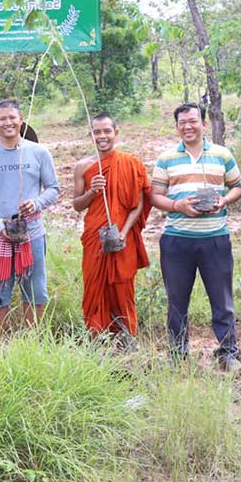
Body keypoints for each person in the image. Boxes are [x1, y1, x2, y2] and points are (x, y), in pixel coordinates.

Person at [150, 103, 241, 370]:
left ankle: (228, 352)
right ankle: (177, 354)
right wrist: (177, 205)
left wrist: (224, 200)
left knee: (222, 300)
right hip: (177, 239)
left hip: (215, 238)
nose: (188, 127)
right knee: (176, 301)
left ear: (203, 124)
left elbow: (237, 187)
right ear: (177, 126)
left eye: (193, 121)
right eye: (182, 123)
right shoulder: (166, 158)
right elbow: (155, 196)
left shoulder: (221, 154)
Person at [0, 99, 60, 333]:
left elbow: (53, 189)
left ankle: (33, 340)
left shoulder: (39, 152)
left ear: (21, 120)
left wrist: (36, 203)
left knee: (35, 290)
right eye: (2, 118)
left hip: (32, 233)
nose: (8, 122)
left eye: (12, 118)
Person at [72, 113, 151, 345]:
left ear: (116, 132)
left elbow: (138, 205)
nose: (102, 136)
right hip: (95, 236)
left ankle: (126, 336)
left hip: (122, 235)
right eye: (97, 132)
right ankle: (96, 336)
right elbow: (77, 205)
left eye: (107, 131)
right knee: (94, 284)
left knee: (123, 285)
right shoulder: (83, 166)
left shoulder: (130, 163)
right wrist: (92, 191)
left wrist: (123, 233)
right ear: (91, 135)